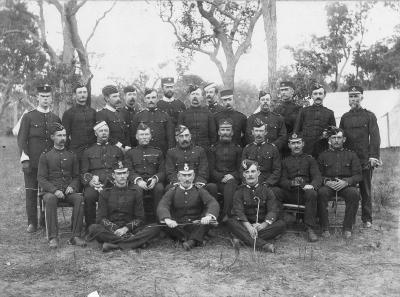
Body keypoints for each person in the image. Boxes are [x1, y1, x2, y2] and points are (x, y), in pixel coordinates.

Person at [88, 161, 160, 252]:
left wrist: (126, 229)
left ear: (128, 174)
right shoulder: (105, 193)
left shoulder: (136, 191)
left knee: (155, 227)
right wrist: (116, 229)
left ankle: (115, 245)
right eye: (119, 174)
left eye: (124, 173)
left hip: (131, 228)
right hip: (112, 230)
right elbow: (101, 218)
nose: (122, 176)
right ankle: (136, 242)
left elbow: (140, 218)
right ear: (113, 175)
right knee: (93, 228)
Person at [17, 84, 61, 233]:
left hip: (50, 163)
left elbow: (59, 140)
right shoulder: (28, 116)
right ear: (37, 97)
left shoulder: (55, 118)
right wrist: (25, 159)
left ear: (51, 98)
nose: (45, 99)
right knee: (31, 192)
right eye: (42, 96)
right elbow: (22, 139)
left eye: (48, 96)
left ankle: (44, 220)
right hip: (33, 162)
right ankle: (32, 223)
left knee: (46, 192)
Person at [37, 123, 86, 248]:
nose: (62, 138)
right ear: (52, 137)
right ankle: (53, 237)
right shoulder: (45, 155)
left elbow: (76, 176)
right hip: (50, 192)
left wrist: (72, 186)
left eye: (64, 135)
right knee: (51, 199)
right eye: (59, 135)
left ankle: (76, 236)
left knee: (79, 198)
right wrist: (54, 190)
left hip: (68, 191)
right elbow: (41, 178)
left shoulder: (72, 155)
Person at [339, 85, 381, 228]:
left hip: (365, 160)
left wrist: (373, 156)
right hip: (348, 161)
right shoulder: (344, 117)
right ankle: (349, 219)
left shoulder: (369, 116)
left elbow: (375, 137)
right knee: (348, 189)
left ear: (362, 97)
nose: (353, 98)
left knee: (366, 190)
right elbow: (340, 138)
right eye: (351, 96)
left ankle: (367, 218)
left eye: (356, 95)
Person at [225, 160, 286, 253]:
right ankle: (264, 245)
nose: (250, 175)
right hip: (245, 224)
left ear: (258, 173)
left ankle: (241, 238)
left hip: (261, 225)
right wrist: (249, 227)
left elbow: (272, 210)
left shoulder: (267, 190)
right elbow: (238, 212)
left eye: (253, 171)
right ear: (244, 175)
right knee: (231, 222)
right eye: (247, 172)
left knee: (281, 224)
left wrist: (263, 225)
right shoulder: (239, 192)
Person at [157, 163, 220, 251]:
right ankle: (196, 240)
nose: (187, 179)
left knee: (207, 223)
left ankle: (188, 240)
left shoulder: (199, 190)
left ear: (193, 176)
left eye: (189, 175)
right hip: (178, 225)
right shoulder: (172, 191)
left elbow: (212, 203)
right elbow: (163, 205)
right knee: (164, 224)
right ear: (178, 177)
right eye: (184, 175)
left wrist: (208, 216)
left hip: (195, 224)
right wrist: (168, 219)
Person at [317, 127, 362, 239]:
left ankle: (347, 228)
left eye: (339, 138)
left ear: (344, 139)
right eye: (333, 138)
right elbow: (317, 175)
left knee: (354, 194)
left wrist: (346, 182)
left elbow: (359, 175)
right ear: (329, 140)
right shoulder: (323, 155)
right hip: (328, 185)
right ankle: (325, 227)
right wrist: (326, 181)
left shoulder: (352, 155)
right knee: (321, 193)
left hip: (345, 185)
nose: (336, 140)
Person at [277, 133, 321, 242]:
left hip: (304, 193)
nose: (296, 146)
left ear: (303, 144)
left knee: (312, 193)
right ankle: (279, 226)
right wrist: (291, 183)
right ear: (289, 145)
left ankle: (309, 228)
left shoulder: (310, 159)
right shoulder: (284, 161)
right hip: (290, 192)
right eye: (293, 143)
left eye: (298, 143)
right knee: (274, 192)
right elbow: (282, 180)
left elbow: (317, 177)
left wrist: (312, 186)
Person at [80, 121, 124, 228]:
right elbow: (83, 172)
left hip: (113, 182)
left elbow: (122, 168)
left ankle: (116, 225)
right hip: (96, 184)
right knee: (89, 196)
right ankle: (91, 226)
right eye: (101, 131)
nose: (104, 133)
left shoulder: (117, 150)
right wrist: (90, 181)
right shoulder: (88, 151)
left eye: (106, 131)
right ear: (96, 133)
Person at [125, 123, 165, 222]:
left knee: (159, 188)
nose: (144, 137)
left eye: (146, 134)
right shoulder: (130, 153)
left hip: (153, 182)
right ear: (137, 137)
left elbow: (163, 171)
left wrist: (155, 179)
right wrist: (138, 181)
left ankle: (159, 220)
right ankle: (139, 221)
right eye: (142, 135)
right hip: (138, 182)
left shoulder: (158, 152)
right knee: (137, 189)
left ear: (150, 136)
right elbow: (128, 170)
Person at [165, 125, 218, 198]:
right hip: (179, 184)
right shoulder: (171, 152)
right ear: (177, 138)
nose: (184, 139)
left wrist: (198, 183)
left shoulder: (199, 151)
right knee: (168, 188)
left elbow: (204, 169)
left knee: (212, 187)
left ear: (190, 137)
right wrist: (178, 183)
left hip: (196, 184)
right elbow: (170, 172)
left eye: (186, 135)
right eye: (181, 136)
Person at [208, 118, 242, 220]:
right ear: (219, 132)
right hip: (218, 180)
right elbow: (210, 169)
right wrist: (221, 177)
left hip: (232, 181)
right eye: (223, 129)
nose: (225, 132)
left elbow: (240, 168)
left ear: (232, 133)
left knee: (230, 183)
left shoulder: (238, 149)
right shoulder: (213, 148)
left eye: (228, 130)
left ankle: (226, 214)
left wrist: (232, 176)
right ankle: (213, 215)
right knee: (211, 187)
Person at [294, 83, 336, 158]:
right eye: (315, 94)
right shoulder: (303, 111)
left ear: (324, 95)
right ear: (311, 96)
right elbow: (297, 131)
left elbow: (334, 133)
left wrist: (327, 134)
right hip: (306, 150)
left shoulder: (329, 113)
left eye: (320, 94)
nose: (318, 96)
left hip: (323, 150)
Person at [131, 88, 174, 153]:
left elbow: (170, 137)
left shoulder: (165, 115)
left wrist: (170, 152)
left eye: (153, 97)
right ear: (145, 100)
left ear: (157, 99)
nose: (151, 100)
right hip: (143, 152)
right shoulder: (138, 116)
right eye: (148, 98)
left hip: (162, 151)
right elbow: (133, 137)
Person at [62, 82, 97, 160]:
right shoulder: (68, 113)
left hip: (93, 152)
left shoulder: (93, 112)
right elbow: (65, 135)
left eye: (84, 92)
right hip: (76, 153)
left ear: (87, 94)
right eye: (80, 92)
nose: (82, 95)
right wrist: (69, 152)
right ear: (75, 95)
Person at [242, 119, 281, 187]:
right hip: (250, 182)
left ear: (265, 132)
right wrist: (248, 183)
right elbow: (242, 169)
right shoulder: (247, 149)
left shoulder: (273, 148)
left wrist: (268, 183)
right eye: (256, 131)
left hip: (267, 183)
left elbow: (277, 170)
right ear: (252, 132)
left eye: (261, 131)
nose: (259, 134)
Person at [177, 85, 217, 150]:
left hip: (205, 149)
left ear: (202, 97)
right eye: (193, 94)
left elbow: (213, 135)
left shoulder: (208, 114)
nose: (195, 96)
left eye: (197, 94)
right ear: (189, 97)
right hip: (188, 148)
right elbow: (179, 134)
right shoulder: (183, 114)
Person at [96, 85, 131, 151]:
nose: (118, 99)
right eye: (115, 96)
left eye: (118, 96)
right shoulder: (101, 114)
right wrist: (119, 146)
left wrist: (127, 146)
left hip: (125, 149)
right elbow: (104, 134)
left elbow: (126, 131)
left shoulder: (122, 112)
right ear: (107, 98)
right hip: (111, 150)